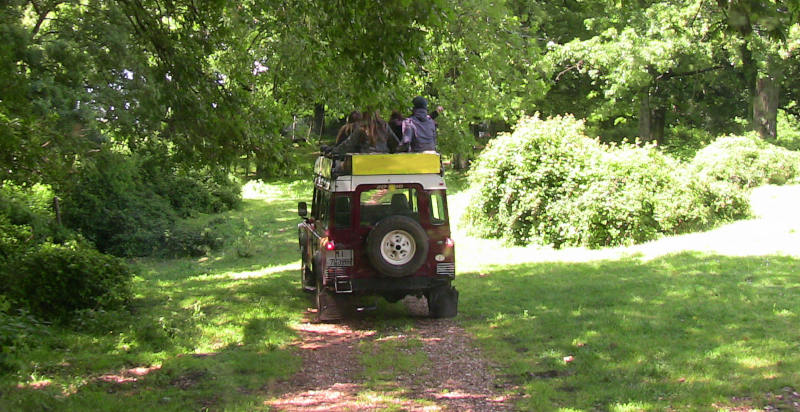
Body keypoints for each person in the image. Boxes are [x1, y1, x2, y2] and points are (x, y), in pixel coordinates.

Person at [332, 110, 399, 155]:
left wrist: (334, 151)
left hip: (366, 160)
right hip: (384, 160)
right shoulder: (384, 126)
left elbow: (348, 144)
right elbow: (396, 143)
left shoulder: (362, 128)